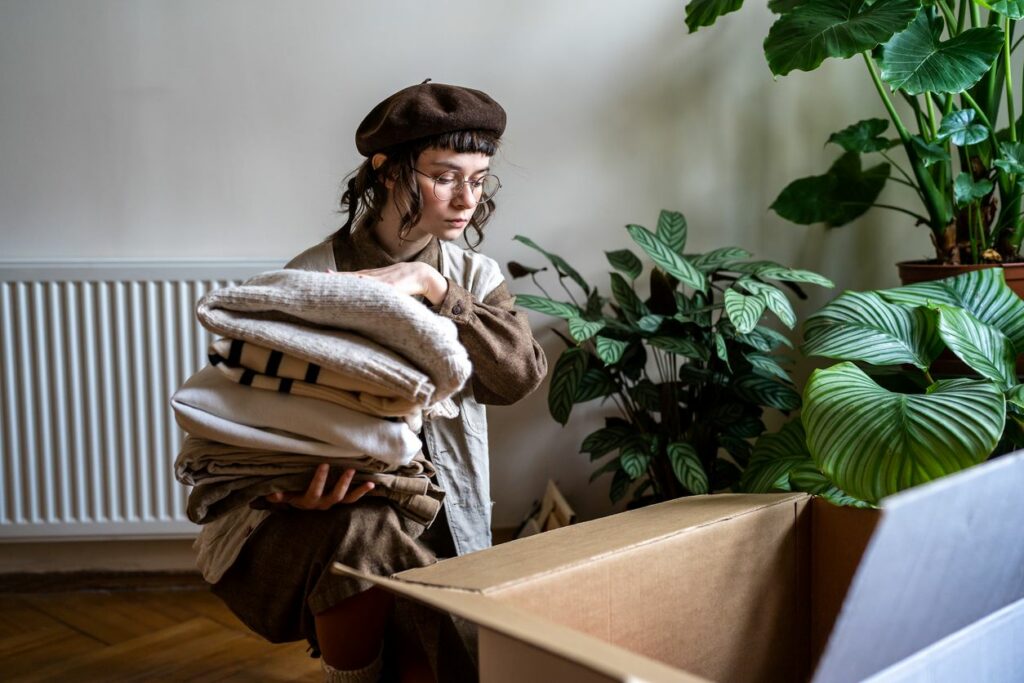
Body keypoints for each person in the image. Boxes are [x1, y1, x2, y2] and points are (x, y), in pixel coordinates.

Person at [202, 81, 547, 682]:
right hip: (323, 507)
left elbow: (516, 378)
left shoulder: (474, 274)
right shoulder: (314, 275)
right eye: (445, 176)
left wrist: (434, 288)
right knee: (362, 538)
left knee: (423, 624)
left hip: (445, 511)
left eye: (480, 178)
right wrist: (293, 490)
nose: (467, 198)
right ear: (386, 171)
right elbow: (258, 411)